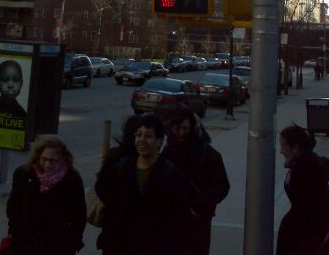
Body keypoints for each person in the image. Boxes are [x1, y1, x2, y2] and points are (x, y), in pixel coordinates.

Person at [95, 113, 192, 255]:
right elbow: (103, 192)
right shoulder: (121, 168)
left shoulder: (171, 174)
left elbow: (179, 220)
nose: (142, 140)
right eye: (138, 135)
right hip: (120, 245)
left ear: (159, 141)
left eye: (148, 136)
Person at [163, 107, 230, 255]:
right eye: (177, 128)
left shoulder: (208, 154)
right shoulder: (167, 152)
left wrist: (199, 205)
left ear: (192, 127)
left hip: (197, 222)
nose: (181, 133)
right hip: (172, 221)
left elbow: (222, 186)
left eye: (185, 128)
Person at [6, 134, 86, 255]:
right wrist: (14, 233)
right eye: (44, 159)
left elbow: (79, 216)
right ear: (37, 156)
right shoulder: (24, 174)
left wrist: (72, 242)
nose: (47, 164)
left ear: (62, 158)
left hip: (57, 245)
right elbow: (14, 206)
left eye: (52, 160)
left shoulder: (72, 180)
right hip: (25, 241)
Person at [277, 124, 329, 255]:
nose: (280, 151)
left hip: (305, 238)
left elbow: (309, 211)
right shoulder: (302, 166)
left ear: (295, 148)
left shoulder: (306, 171)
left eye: (283, 146)